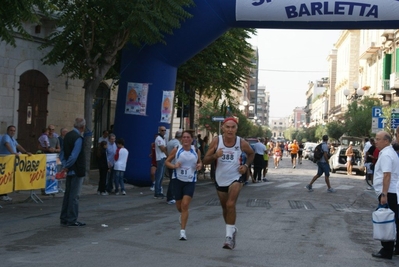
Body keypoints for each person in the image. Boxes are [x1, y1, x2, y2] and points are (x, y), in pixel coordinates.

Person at [203, 117, 254, 250]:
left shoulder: (240, 142)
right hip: (220, 179)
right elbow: (205, 161)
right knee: (225, 208)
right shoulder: (216, 141)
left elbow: (251, 153)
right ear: (223, 128)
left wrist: (246, 166)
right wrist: (215, 156)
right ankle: (231, 230)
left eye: (233, 127)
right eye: (228, 127)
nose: (230, 130)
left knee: (231, 204)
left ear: (236, 129)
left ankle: (229, 238)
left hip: (236, 177)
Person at [165, 130, 202, 241]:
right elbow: (167, 162)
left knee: (185, 205)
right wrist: (174, 166)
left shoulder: (196, 150)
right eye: (184, 137)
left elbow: (200, 162)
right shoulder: (177, 150)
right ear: (181, 139)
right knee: (179, 206)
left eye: (188, 137)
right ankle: (183, 216)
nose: (185, 139)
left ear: (191, 139)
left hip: (190, 180)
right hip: (177, 180)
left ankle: (182, 232)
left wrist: (199, 165)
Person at [371, 131, 399, 259]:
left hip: (389, 192)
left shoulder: (387, 154)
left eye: (378, 139)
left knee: (387, 220)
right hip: (390, 191)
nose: (375, 141)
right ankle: (393, 248)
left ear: (386, 141)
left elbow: (387, 175)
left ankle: (386, 250)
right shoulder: (388, 152)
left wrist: (384, 194)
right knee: (393, 220)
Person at [59, 118, 87, 227]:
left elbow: (62, 152)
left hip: (70, 169)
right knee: (74, 195)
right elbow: (74, 156)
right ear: (82, 127)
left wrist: (64, 165)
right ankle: (72, 219)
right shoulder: (78, 138)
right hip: (76, 169)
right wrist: (67, 166)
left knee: (68, 194)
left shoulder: (67, 136)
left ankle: (64, 217)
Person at [0, 125, 32, 201]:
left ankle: (4, 194)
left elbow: (18, 146)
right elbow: (7, 144)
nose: (13, 132)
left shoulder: (12, 138)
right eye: (11, 130)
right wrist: (13, 153)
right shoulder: (6, 137)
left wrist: (25, 152)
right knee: (4, 178)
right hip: (5, 160)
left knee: (7, 178)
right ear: (8, 131)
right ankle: (2, 194)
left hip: (10, 161)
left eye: (14, 131)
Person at [166, 131, 182, 204]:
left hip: (170, 163)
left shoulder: (170, 142)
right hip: (174, 164)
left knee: (172, 180)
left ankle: (172, 196)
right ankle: (170, 197)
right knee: (173, 181)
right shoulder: (177, 143)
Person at [154, 126, 168, 199]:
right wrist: (167, 149)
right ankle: (157, 192)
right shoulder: (158, 139)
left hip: (163, 157)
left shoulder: (163, 139)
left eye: (165, 130)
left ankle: (159, 191)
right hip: (160, 158)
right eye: (162, 130)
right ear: (159, 131)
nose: (164, 131)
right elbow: (162, 148)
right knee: (159, 176)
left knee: (162, 176)